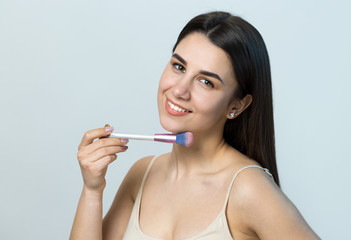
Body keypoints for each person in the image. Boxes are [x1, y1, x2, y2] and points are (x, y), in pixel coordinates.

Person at [70, 11, 320, 240]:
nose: (179, 90)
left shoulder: (248, 189)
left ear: (237, 105)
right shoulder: (142, 174)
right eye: (178, 67)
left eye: (206, 82)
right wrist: (93, 190)